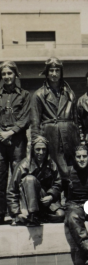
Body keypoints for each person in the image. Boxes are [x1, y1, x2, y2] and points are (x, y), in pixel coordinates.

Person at [31, 57, 82, 180]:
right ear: (47, 73)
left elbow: (76, 120)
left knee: (72, 169)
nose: (54, 74)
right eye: (51, 71)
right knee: (52, 170)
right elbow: (35, 123)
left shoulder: (69, 93)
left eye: (57, 70)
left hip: (70, 136)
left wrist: (80, 139)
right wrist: (37, 143)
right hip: (50, 136)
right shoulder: (38, 95)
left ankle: (71, 197)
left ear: (61, 73)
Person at [7, 136, 64, 226]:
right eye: (38, 149)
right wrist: (16, 213)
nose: (41, 152)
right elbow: (12, 191)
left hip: (45, 200)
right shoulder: (23, 166)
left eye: (43, 149)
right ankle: (32, 215)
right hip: (27, 202)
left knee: (61, 215)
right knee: (30, 179)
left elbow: (58, 183)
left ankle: (39, 216)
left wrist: (51, 196)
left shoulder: (51, 164)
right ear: (32, 150)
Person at [0, 61, 31, 224]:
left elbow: (26, 117)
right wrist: (2, 133)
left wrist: (11, 132)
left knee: (18, 175)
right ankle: (0, 214)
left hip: (17, 140)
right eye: (4, 74)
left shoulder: (25, 95)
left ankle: (17, 213)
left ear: (15, 74)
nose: (7, 77)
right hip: (0, 140)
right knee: (0, 176)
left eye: (9, 73)